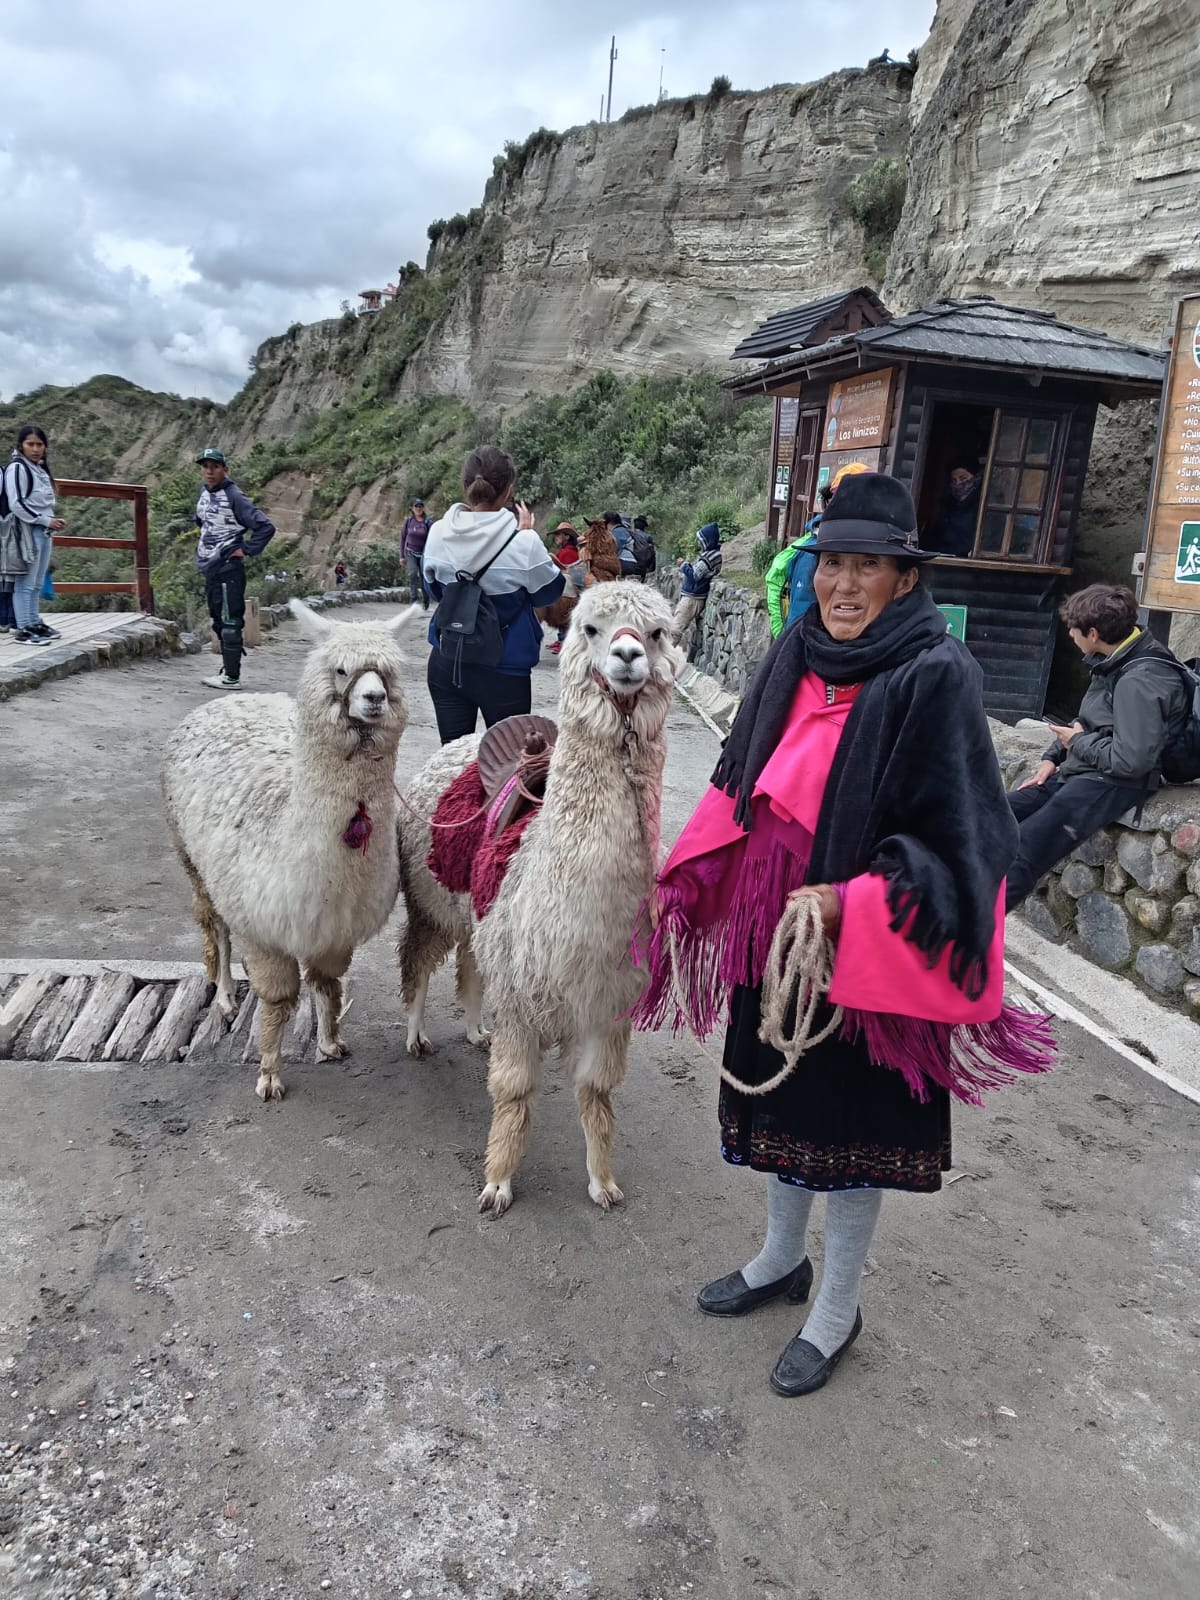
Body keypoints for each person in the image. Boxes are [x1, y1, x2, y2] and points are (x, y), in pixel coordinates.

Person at [635, 472, 1051, 1397]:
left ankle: (838, 1305)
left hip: (863, 937)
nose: (845, 585)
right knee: (779, 1108)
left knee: (846, 1132)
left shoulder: (935, 673)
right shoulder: (798, 648)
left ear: (906, 579)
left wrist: (850, 899)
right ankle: (782, 1261)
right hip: (773, 931)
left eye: (869, 566)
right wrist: (695, 875)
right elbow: (743, 779)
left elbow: (965, 834)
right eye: (833, 564)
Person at [1005, 584, 1190, 910]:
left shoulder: (1140, 680)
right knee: (993, 813)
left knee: (1024, 851)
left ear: (1092, 633)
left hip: (1111, 782)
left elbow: (1130, 761)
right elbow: (1091, 720)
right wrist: (1053, 755)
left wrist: (1076, 742)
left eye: (1073, 630)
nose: (1070, 635)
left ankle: (967, 943)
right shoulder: (1115, 658)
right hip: (1082, 769)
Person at [422, 445, 564, 743]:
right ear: (509, 491)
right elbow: (548, 594)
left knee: (452, 762)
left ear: (465, 486)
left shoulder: (436, 533)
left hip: (448, 661)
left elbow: (434, 590)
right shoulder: (524, 543)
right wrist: (527, 535)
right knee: (508, 766)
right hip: (505, 670)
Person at [193, 448, 276, 691]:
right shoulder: (205, 493)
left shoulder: (234, 496)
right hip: (211, 565)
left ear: (224, 469)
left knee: (230, 621)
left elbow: (265, 527)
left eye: (215, 466)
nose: (210, 471)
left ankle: (232, 677)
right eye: (205, 466)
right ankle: (228, 669)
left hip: (229, 567)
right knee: (219, 620)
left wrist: (246, 549)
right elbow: (202, 521)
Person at [5, 425, 65, 647]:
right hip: (27, 532)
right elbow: (17, 504)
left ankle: (34, 622)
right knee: (25, 582)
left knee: (37, 582)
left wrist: (50, 521)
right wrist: (44, 520)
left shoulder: (37, 468)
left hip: (43, 530)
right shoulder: (18, 468)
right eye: (30, 444)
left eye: (39, 444)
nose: (36, 449)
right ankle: (24, 628)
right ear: (21, 445)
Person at [671, 521, 722, 645]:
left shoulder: (710, 556)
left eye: (701, 541)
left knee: (673, 631)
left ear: (707, 540)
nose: (699, 544)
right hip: (692, 598)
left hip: (692, 599)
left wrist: (683, 565)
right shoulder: (712, 555)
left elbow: (695, 575)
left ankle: (664, 658)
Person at [546, 522, 580, 655]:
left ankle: (565, 642)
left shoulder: (568, 553)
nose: (556, 537)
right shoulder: (568, 552)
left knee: (564, 614)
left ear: (566, 536)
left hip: (568, 591)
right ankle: (561, 640)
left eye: (558, 534)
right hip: (568, 591)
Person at [932, 465, 982, 556]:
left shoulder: (982, 505)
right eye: (954, 480)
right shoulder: (948, 503)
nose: (958, 484)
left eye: (963, 478)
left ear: (976, 478)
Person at [401, 497, 431, 609]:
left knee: (424, 577)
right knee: (413, 575)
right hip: (410, 552)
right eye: (416, 506)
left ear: (423, 508)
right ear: (412, 509)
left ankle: (426, 601)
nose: (418, 508)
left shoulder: (428, 522)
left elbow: (433, 538)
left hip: (424, 554)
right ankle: (413, 601)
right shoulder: (408, 522)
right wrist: (402, 556)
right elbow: (403, 538)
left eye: (420, 506)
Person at [631, 515, 657, 581]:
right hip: (642, 566)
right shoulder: (648, 537)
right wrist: (651, 568)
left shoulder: (629, 534)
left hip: (630, 564)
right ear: (644, 526)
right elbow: (652, 554)